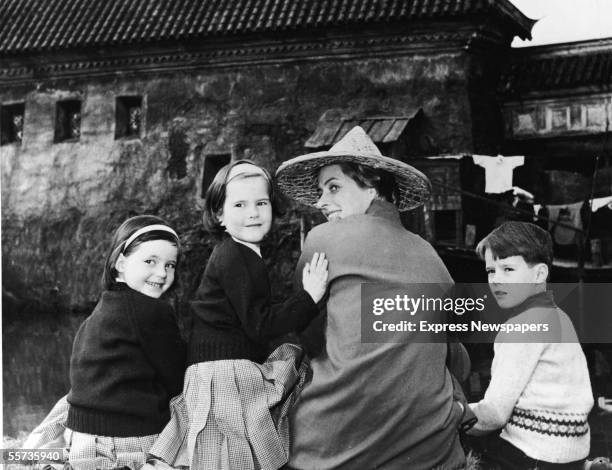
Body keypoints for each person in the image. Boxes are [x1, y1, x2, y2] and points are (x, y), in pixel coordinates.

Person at [275, 126, 469, 469]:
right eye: (321, 190)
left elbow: (303, 330)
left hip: (339, 443)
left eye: (334, 187)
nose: (321, 201)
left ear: (372, 185)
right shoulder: (431, 255)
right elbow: (456, 354)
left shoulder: (323, 238)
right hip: (432, 446)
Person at [148, 160, 329, 470]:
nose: (253, 213)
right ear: (219, 214)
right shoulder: (235, 255)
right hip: (223, 373)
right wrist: (309, 298)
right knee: (236, 457)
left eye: (261, 203)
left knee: (223, 455)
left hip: (216, 368)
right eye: (240, 204)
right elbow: (261, 324)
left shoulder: (241, 253)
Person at [23, 215, 187, 470]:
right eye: (150, 261)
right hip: (129, 440)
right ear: (120, 262)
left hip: (81, 437)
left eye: (170, 265)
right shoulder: (153, 312)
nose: (162, 272)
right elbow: (178, 377)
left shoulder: (99, 312)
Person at [467, 221, 594, 469]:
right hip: (569, 453)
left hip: (532, 453)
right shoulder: (558, 316)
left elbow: (493, 414)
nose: (496, 280)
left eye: (508, 269)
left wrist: (449, 416)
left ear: (539, 274)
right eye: (491, 271)